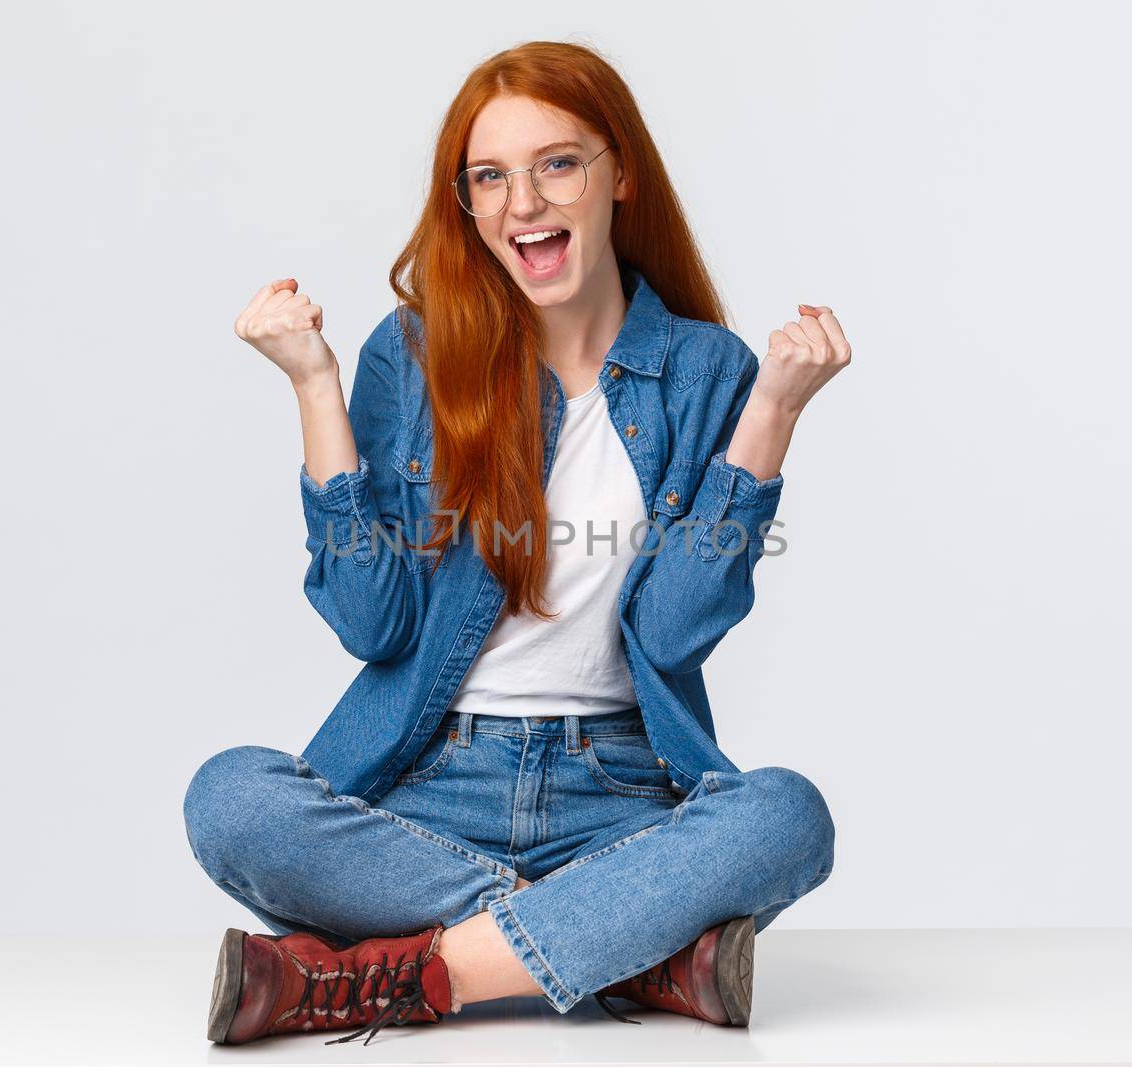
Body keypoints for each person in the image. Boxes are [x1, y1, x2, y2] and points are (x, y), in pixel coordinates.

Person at [183, 39, 851, 1046]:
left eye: (556, 163)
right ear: (466, 204)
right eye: (488, 176)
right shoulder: (413, 356)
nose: (522, 201)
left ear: (618, 175)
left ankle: (409, 972)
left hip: (621, 790)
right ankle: (638, 947)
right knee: (229, 796)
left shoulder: (707, 368)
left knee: (786, 816)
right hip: (425, 788)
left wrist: (772, 416)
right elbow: (373, 623)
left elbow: (673, 632)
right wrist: (314, 387)